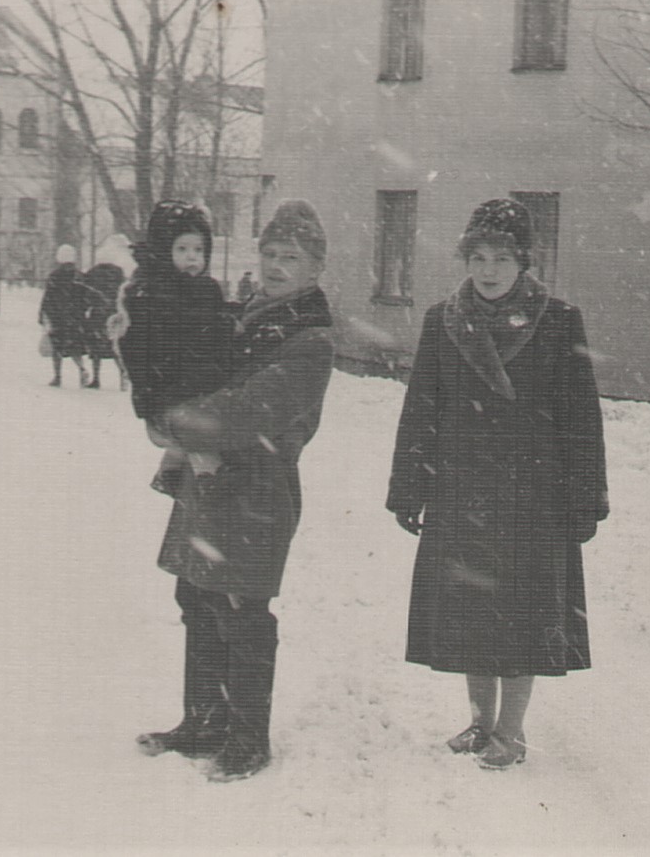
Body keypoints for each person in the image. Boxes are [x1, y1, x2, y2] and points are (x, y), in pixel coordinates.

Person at [386, 198, 609, 770]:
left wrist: (586, 499)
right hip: (463, 493)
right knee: (469, 611)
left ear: (524, 262)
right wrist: (409, 487)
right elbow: (422, 410)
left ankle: (511, 730)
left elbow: (581, 416)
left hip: (533, 498)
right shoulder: (443, 320)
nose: (488, 271)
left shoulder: (558, 321)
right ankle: (480, 722)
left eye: (502, 259)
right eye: (478, 257)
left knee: (523, 616)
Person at [137, 199, 335, 782]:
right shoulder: (240, 315)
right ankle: (204, 721)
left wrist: (173, 421)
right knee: (197, 598)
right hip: (208, 480)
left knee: (241, 611)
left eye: (290, 257)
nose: (275, 265)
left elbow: (249, 409)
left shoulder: (311, 338)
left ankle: (248, 739)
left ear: (313, 268)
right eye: (269, 253)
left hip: (258, 487)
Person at [113, 200, 234, 490]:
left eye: (199, 250)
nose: (192, 257)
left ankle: (172, 468)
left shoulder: (204, 288)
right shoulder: (151, 293)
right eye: (182, 249)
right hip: (167, 391)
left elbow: (212, 328)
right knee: (205, 443)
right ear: (165, 252)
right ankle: (207, 480)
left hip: (188, 388)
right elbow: (147, 348)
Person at [38, 244, 90, 387]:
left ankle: (57, 376)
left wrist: (43, 315)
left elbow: (48, 298)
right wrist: (82, 311)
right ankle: (82, 369)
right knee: (75, 347)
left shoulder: (54, 276)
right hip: (76, 318)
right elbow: (86, 297)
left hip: (58, 317)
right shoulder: (79, 276)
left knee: (57, 348)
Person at [79, 262, 129, 390]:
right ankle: (122, 374)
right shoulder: (118, 277)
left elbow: (86, 297)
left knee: (96, 349)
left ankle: (96, 378)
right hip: (112, 315)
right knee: (113, 348)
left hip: (97, 316)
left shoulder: (93, 278)